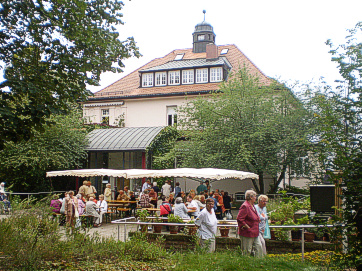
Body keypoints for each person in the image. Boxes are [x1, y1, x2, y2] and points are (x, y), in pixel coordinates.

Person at [237, 190, 262, 257]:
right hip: (247, 232)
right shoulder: (245, 206)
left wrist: (258, 219)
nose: (256, 198)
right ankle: (246, 264)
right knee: (247, 250)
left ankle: (259, 262)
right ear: (251, 197)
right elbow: (240, 218)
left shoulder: (252, 205)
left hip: (255, 232)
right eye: (255, 196)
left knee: (259, 247)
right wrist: (247, 227)